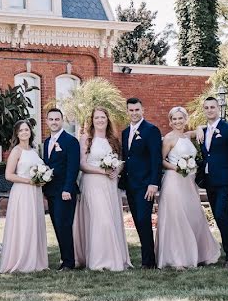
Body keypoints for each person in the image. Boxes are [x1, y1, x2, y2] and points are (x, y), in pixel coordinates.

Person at [156, 106, 220, 269]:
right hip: (174, 181)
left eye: (180, 118)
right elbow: (161, 161)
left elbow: (209, 127)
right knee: (177, 217)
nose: (178, 121)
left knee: (193, 215)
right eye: (174, 119)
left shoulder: (188, 136)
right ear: (170, 122)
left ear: (185, 120)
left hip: (189, 184)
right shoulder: (169, 138)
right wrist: (177, 168)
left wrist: (198, 127)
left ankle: (197, 253)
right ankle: (178, 258)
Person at [73, 108, 131, 271]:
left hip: (110, 185)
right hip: (92, 183)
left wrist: (116, 170)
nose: (100, 120)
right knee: (101, 219)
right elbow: (82, 164)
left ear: (107, 119)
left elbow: (120, 161)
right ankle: (99, 260)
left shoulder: (113, 139)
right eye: (96, 117)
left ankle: (114, 257)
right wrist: (102, 171)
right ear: (92, 120)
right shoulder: (86, 138)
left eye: (103, 117)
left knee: (110, 218)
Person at [196, 96, 228, 267]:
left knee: (222, 214)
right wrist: (197, 127)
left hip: (226, 181)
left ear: (219, 109)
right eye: (206, 107)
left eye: (212, 107)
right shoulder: (204, 130)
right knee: (218, 216)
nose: (210, 110)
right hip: (210, 181)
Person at [0, 120, 48, 274]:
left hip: (35, 193)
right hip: (22, 192)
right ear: (17, 134)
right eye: (21, 130)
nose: (24, 132)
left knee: (34, 223)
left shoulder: (34, 150)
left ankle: (35, 259)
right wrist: (30, 181)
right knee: (23, 225)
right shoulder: (16, 151)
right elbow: (9, 175)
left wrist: (42, 178)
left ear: (30, 132)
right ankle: (21, 259)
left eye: (27, 129)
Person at [119, 97, 161, 269]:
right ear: (127, 111)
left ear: (142, 110)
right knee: (137, 220)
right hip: (130, 184)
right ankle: (147, 258)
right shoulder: (125, 132)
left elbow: (155, 158)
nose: (134, 113)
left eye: (137, 110)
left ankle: (148, 262)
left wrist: (154, 183)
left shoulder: (151, 130)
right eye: (131, 110)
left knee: (144, 220)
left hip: (146, 185)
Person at [40, 108, 79, 271]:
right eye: (51, 119)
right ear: (47, 121)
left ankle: (69, 262)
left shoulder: (70, 141)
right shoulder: (46, 142)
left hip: (65, 192)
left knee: (64, 225)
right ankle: (65, 259)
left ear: (62, 121)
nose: (54, 122)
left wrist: (67, 189)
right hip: (51, 191)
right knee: (57, 225)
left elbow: (73, 167)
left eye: (57, 119)